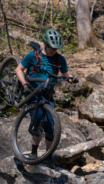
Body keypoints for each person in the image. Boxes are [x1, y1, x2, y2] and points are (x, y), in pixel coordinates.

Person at [15, 29, 78, 168]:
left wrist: (71, 78)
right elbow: (19, 69)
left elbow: (66, 73)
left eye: (56, 48)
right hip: (33, 93)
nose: (54, 51)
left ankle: (48, 156)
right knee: (38, 123)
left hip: (48, 94)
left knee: (50, 126)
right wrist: (24, 83)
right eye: (52, 48)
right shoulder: (33, 56)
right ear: (45, 44)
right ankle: (33, 153)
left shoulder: (59, 59)